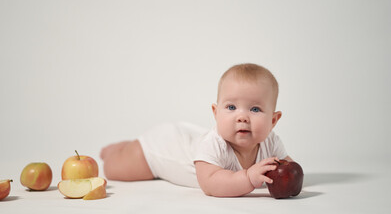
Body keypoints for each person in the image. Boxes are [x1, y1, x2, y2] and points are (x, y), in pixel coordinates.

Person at [100, 63, 292, 197]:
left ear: (273, 120)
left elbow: (288, 165)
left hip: (188, 139)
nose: (242, 117)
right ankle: (118, 150)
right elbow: (210, 183)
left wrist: (290, 177)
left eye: (255, 109)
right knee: (115, 169)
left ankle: (128, 146)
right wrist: (248, 178)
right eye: (231, 107)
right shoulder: (214, 145)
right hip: (162, 148)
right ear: (216, 113)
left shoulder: (271, 141)